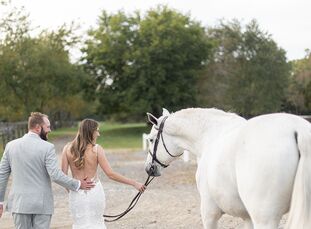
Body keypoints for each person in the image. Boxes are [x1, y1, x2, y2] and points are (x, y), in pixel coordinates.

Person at [0, 112, 95, 229]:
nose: (50, 130)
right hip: (42, 204)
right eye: (48, 127)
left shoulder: (10, 146)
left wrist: (0, 202)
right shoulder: (47, 147)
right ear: (38, 127)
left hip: (19, 204)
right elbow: (55, 175)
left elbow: (2, 175)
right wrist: (79, 184)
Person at [61, 118, 146, 229]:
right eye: (97, 131)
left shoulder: (67, 149)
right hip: (95, 192)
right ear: (91, 132)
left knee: (79, 225)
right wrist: (134, 183)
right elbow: (110, 174)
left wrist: (73, 189)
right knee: (97, 224)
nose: (99, 134)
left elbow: (62, 177)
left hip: (76, 194)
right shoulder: (97, 149)